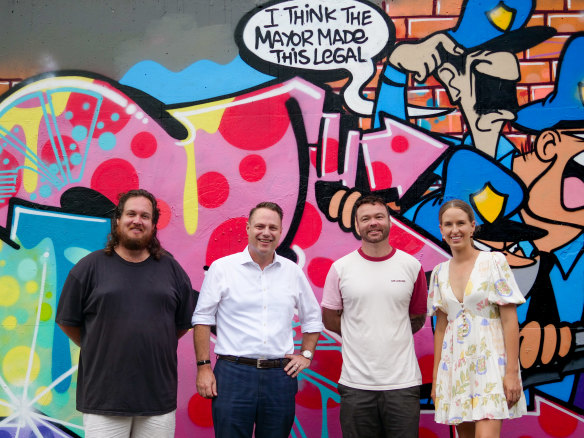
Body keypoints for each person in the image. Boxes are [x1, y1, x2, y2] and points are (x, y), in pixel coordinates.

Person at [55, 189, 196, 438]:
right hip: (104, 398)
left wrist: (154, 341)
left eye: (145, 216)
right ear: (118, 219)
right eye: (131, 213)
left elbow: (182, 324)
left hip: (157, 399)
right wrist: (100, 344)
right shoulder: (90, 267)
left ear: (153, 225)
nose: (137, 220)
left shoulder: (171, 269)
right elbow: (68, 321)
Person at [192, 201, 323, 438]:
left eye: (273, 227)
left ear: (280, 232)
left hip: (279, 377)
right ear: (248, 228)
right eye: (259, 226)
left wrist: (306, 355)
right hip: (233, 374)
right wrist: (203, 368)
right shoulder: (222, 268)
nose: (266, 233)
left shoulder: (292, 272)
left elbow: (313, 319)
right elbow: (202, 318)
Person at [321, 195, 428, 438]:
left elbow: (418, 316)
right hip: (356, 385)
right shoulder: (341, 268)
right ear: (357, 226)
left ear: (389, 221)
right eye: (365, 219)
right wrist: (358, 333)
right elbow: (329, 319)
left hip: (402, 384)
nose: (373, 223)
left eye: (379, 217)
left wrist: (389, 330)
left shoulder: (411, 266)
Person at [429, 199, 526, 437]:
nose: (455, 230)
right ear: (441, 230)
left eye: (461, 223)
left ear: (473, 226)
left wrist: (512, 372)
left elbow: (510, 320)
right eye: (448, 224)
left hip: (491, 364)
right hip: (455, 368)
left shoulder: (494, 262)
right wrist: (436, 380)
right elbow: (441, 328)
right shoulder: (439, 273)